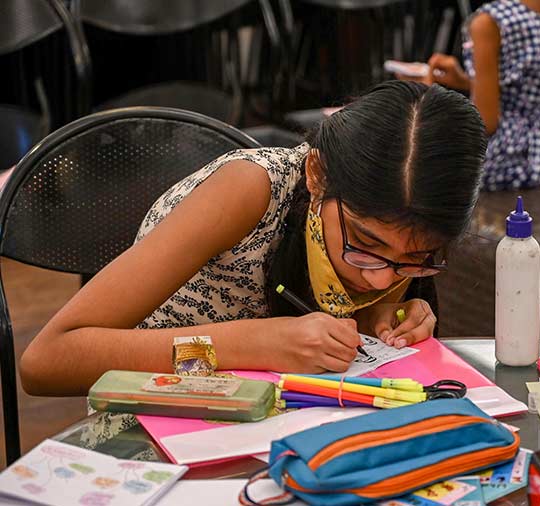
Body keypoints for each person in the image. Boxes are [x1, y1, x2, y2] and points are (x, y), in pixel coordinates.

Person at [20, 81, 487, 396]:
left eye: (417, 259)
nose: (383, 275)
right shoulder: (249, 191)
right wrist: (250, 345)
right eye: (365, 244)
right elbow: (48, 362)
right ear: (317, 174)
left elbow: (306, 318)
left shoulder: (388, 231)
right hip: (165, 406)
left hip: (288, 414)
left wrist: (375, 319)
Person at [417, 0, 540, 191]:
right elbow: (526, 88)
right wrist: (466, 82)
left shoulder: (490, 21)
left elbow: (485, 123)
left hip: (506, 161)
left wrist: (428, 94)